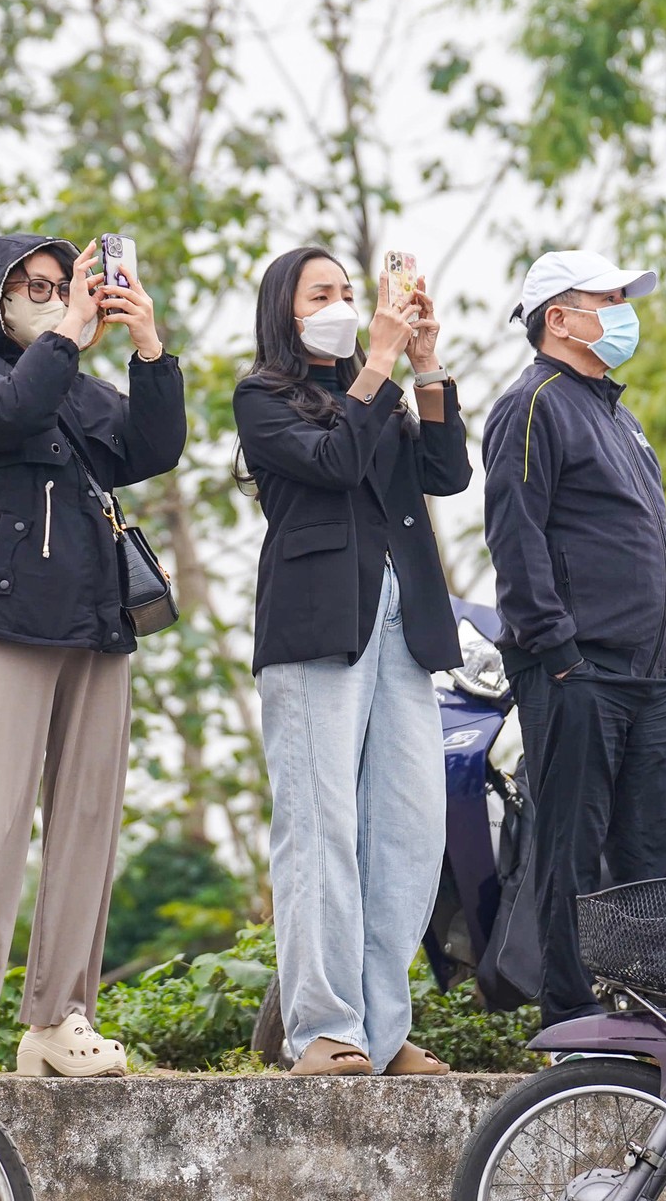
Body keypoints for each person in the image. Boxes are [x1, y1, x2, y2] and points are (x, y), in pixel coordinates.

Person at [0, 233, 185, 1077]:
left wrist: (148, 347)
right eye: (31, 285)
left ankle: (58, 1020)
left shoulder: (77, 387)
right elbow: (13, 411)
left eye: (60, 282)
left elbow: (153, 447)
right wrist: (67, 332)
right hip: (7, 623)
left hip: (97, 624)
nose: (48, 295)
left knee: (87, 826)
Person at [234, 247, 472, 1077]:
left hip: (406, 627)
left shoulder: (380, 396)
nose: (341, 302)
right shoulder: (263, 398)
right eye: (322, 293)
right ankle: (323, 1027)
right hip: (314, 629)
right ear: (285, 311)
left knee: (408, 832)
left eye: (348, 290)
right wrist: (375, 365)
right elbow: (333, 463)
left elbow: (447, 471)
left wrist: (426, 364)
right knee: (319, 828)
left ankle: (381, 1027)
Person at [481, 249, 666, 1027]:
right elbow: (516, 533)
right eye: (607, 298)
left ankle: (664, 1011)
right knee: (570, 846)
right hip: (577, 670)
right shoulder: (530, 402)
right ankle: (569, 1018)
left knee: (660, 847)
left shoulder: (618, 414)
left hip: (648, 673)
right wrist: (557, 651)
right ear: (559, 317)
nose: (623, 310)